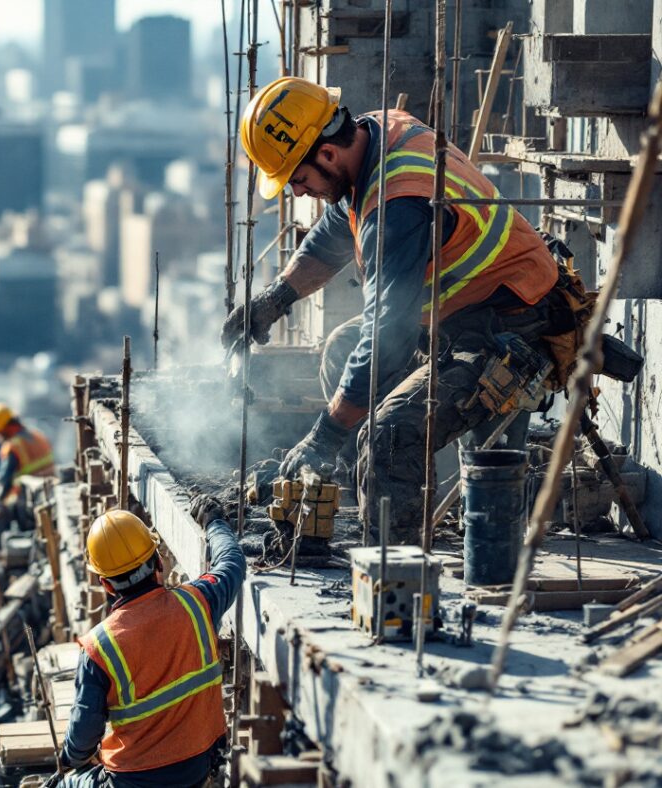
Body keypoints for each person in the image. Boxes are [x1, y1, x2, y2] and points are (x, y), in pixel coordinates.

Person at [222, 76, 584, 545]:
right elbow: (335, 232)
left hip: (514, 330)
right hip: (458, 319)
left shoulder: (397, 205)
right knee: (341, 351)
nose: (298, 193)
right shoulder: (373, 134)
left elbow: (387, 335)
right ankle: (371, 496)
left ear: (327, 155)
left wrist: (326, 434)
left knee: (388, 434)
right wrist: (274, 300)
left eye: (298, 179)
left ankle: (399, 565)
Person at [50, 497, 245, 787]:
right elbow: (232, 562)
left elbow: (83, 737)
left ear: (105, 584)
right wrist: (214, 522)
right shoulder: (198, 603)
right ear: (158, 561)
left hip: (131, 781)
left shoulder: (99, 648)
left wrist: (68, 760)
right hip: (197, 769)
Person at [0, 402, 56, 554]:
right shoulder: (37, 435)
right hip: (51, 494)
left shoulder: (13, 446)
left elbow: (5, 482)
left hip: (27, 503)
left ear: (2, 428)